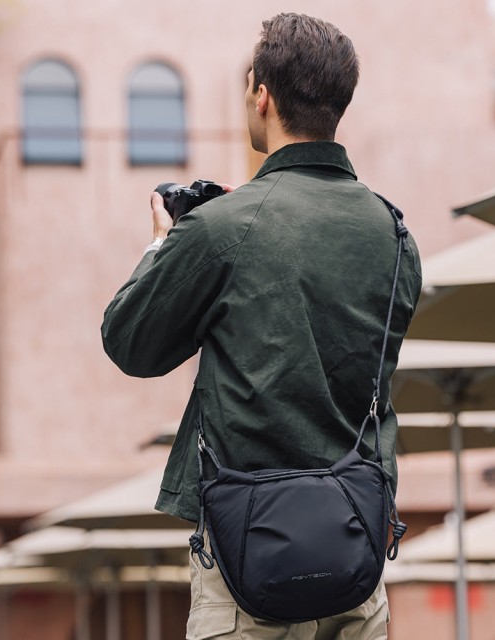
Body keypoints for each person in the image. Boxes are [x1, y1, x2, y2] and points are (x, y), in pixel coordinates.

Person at [102, 12, 421, 640]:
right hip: (355, 560)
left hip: (246, 561)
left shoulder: (223, 227)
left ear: (263, 96)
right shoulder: (394, 232)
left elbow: (130, 343)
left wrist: (163, 244)